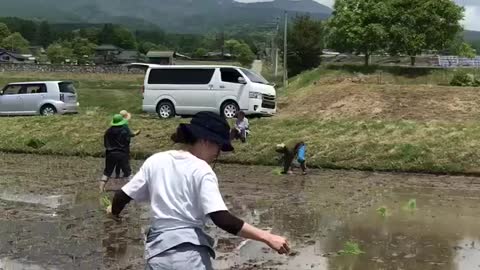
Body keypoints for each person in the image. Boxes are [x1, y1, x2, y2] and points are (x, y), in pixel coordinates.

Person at [107, 111, 289, 269]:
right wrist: (267, 237)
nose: (218, 152)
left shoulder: (156, 160)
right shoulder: (202, 170)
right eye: (218, 146)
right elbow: (222, 219)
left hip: (157, 255)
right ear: (204, 140)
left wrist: (114, 213)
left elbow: (121, 196)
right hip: (189, 256)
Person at [100, 114, 133, 192]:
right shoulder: (124, 131)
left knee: (107, 172)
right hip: (122, 154)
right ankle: (134, 189)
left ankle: (101, 188)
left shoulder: (108, 131)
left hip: (110, 154)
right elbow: (127, 142)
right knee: (128, 172)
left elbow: (105, 144)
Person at [114, 110, 140, 179]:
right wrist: (136, 133)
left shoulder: (117, 125)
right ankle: (127, 173)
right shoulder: (124, 126)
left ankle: (117, 174)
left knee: (118, 160)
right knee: (125, 159)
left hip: (117, 144)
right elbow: (130, 134)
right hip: (124, 145)